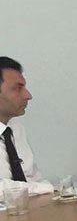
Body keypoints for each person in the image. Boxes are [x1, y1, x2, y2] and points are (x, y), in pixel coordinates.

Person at [0, 57, 53, 194]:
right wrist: (45, 188)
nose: (28, 95)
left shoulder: (15, 128)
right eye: (18, 88)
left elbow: (34, 178)